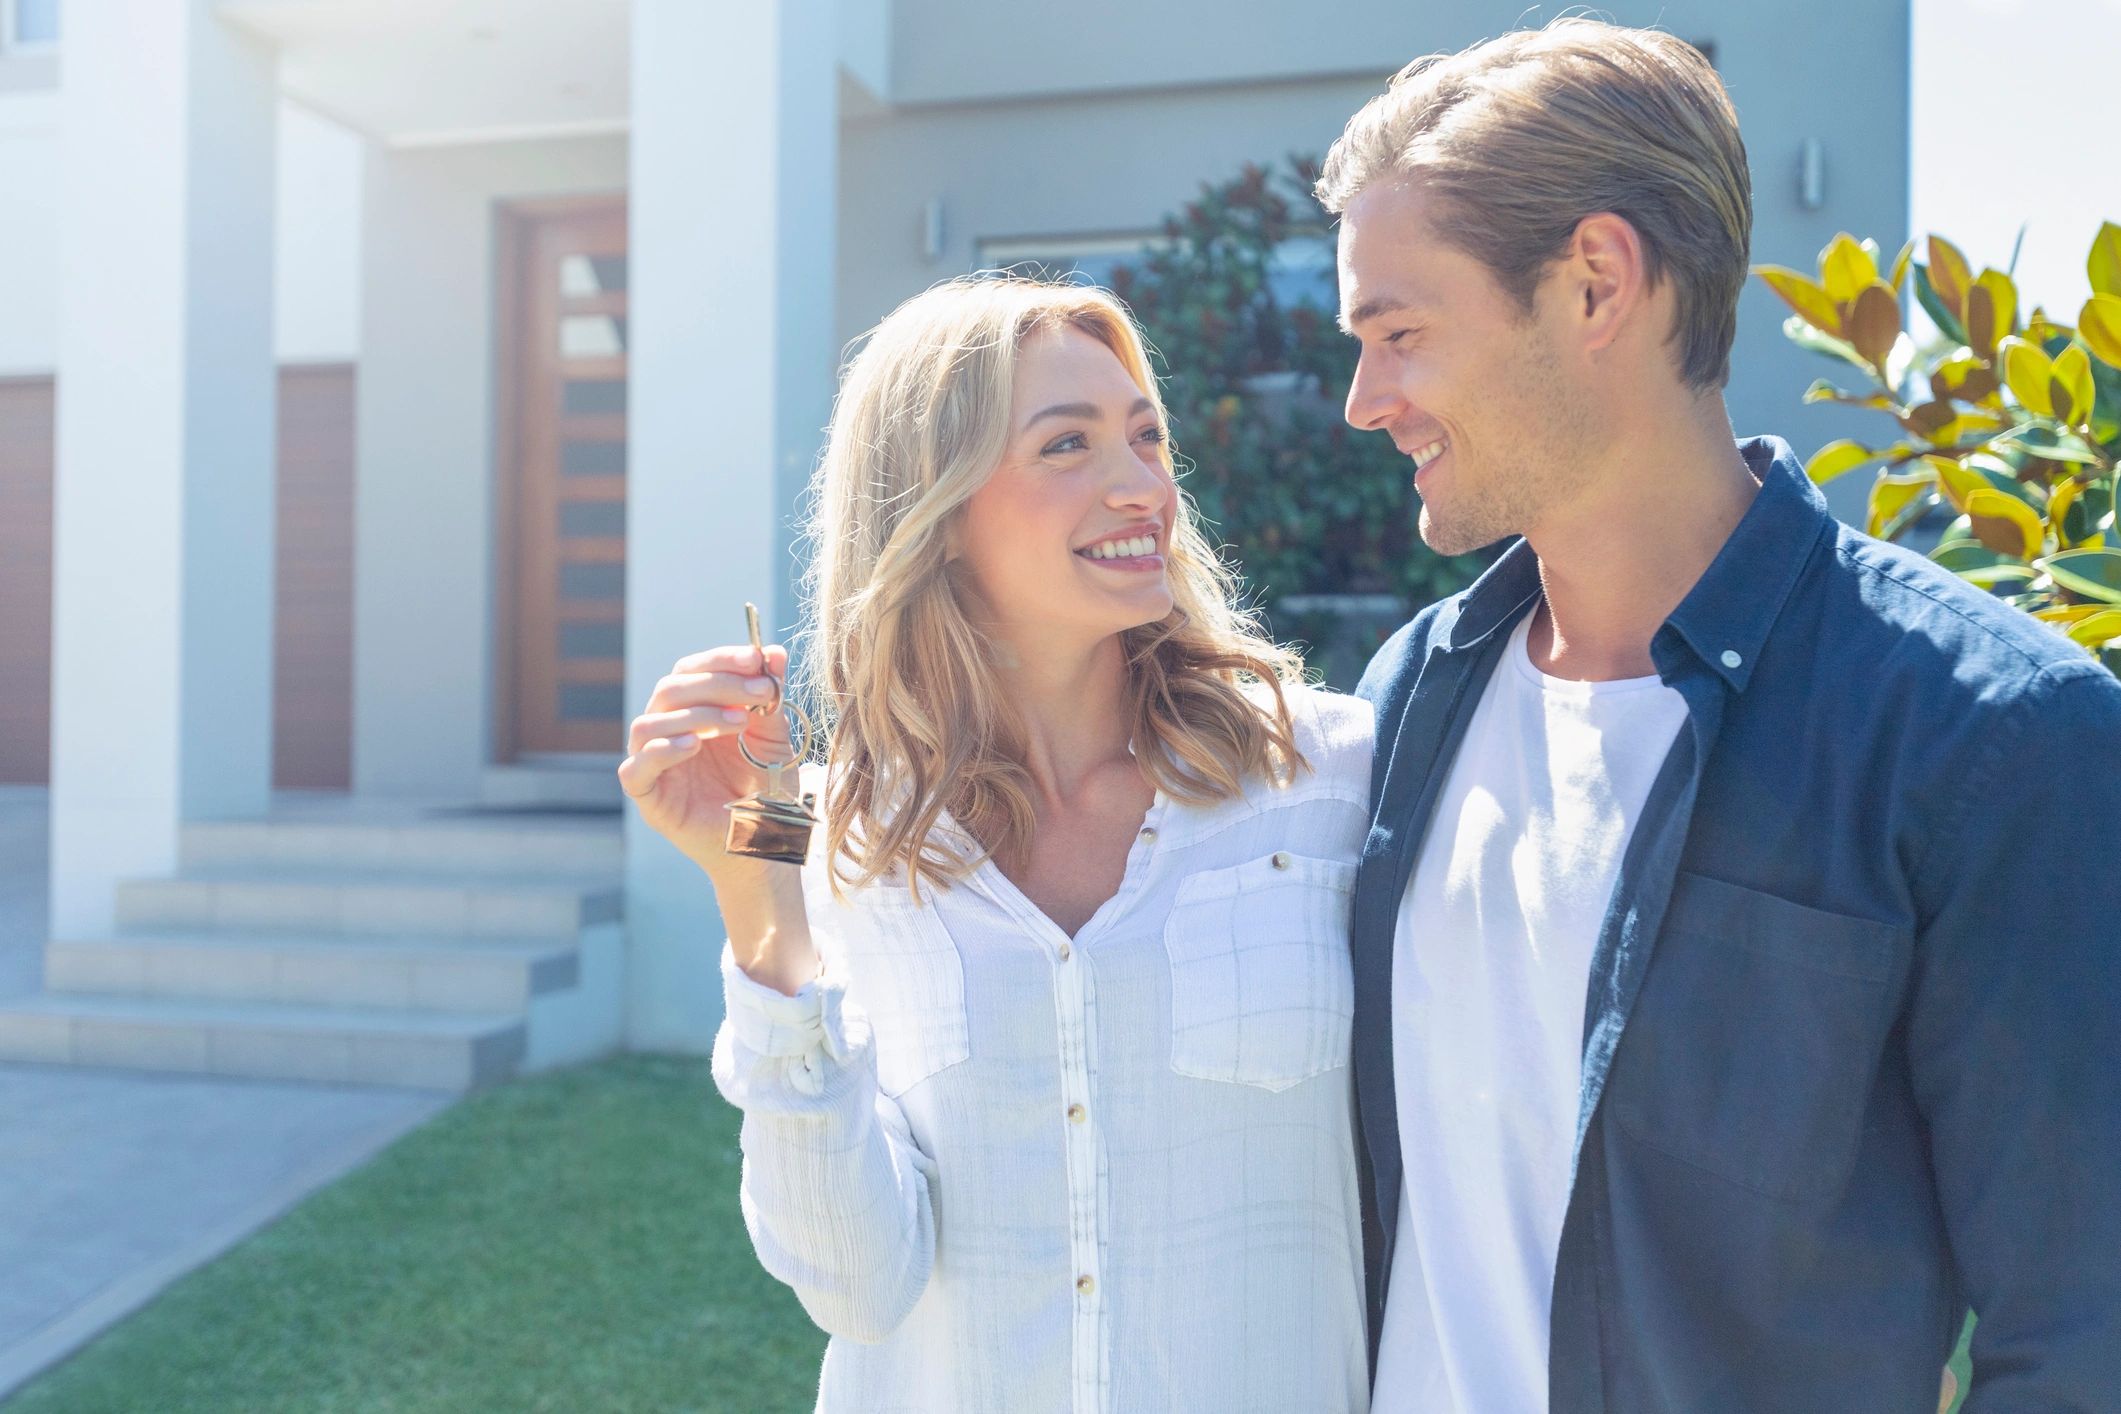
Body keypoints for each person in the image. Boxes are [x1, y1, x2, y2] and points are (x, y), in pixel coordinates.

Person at [1324, 16, 2121, 1412]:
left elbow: (2085, 1326)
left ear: (1593, 285)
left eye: (1399, 333)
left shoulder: (1987, 740)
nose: (1361, 400)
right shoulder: (1407, 701)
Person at [618, 277, 1375, 1411]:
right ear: (937, 509)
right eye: (1067, 445)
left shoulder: (1325, 776)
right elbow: (856, 1287)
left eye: (1145, 435)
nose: (1143, 487)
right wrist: (757, 904)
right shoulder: (835, 839)